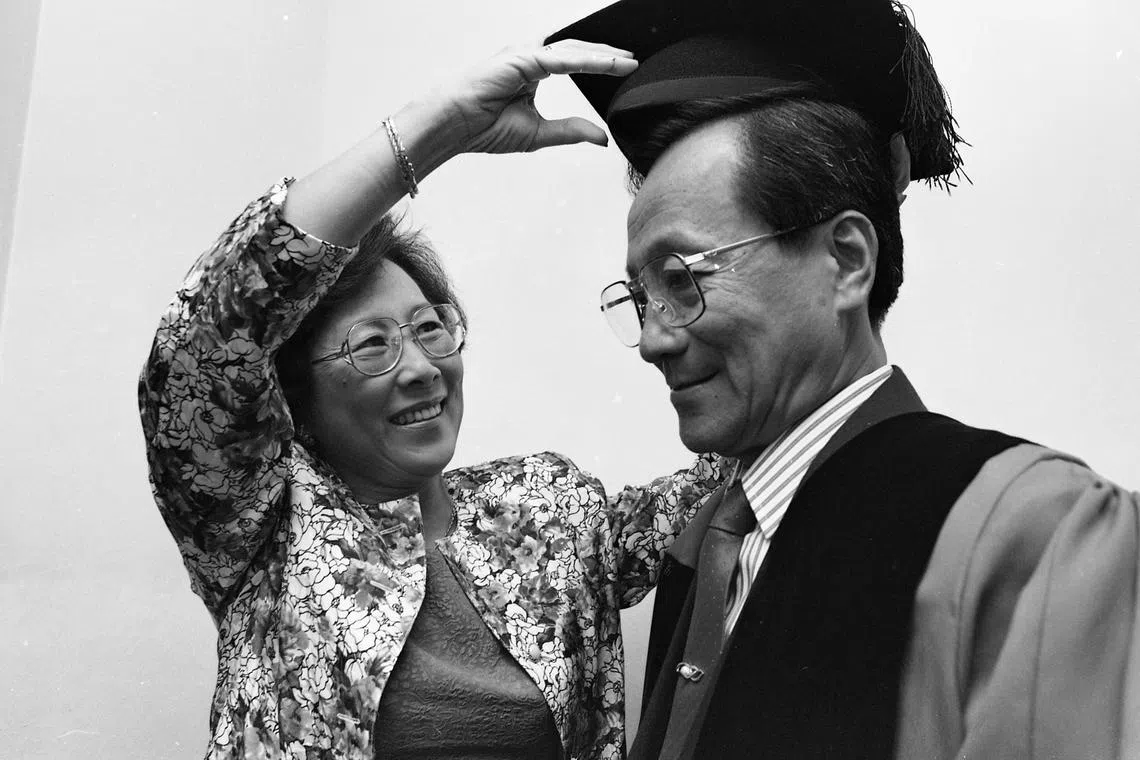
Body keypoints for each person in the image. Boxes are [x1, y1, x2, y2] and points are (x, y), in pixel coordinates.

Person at [545, 0, 1140, 758]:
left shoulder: (1026, 528)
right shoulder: (707, 550)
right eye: (639, 297)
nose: (653, 339)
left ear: (847, 261)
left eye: (682, 277)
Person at [138, 42, 724, 760]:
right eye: (373, 345)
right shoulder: (262, 525)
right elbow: (208, 338)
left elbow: (736, 470)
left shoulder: (550, 510)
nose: (420, 367)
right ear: (296, 397)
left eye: (429, 329)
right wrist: (435, 130)